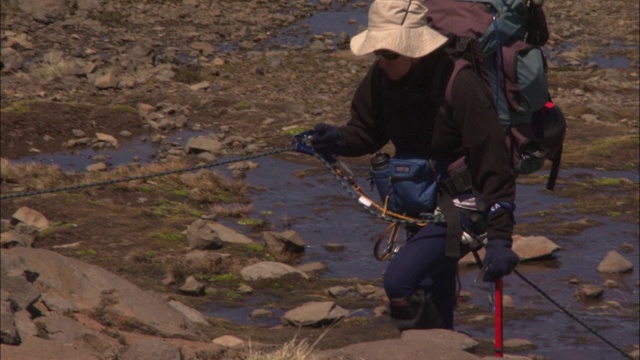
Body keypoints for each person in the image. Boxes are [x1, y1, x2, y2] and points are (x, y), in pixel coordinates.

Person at [309, 0, 519, 331]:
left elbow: (495, 163)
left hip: (461, 209)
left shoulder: (459, 84)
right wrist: (334, 140)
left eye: (390, 52)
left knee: (400, 282)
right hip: (417, 205)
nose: (381, 59)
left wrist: (500, 239)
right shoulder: (381, 77)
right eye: (377, 51)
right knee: (432, 295)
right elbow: (366, 132)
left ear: (415, 47)